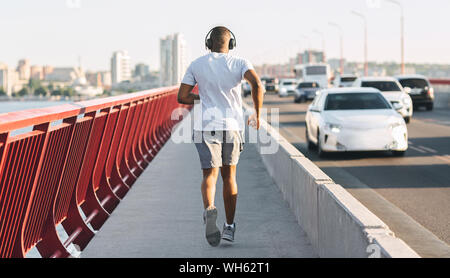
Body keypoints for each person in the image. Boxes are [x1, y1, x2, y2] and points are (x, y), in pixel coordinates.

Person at [177, 26, 264, 246]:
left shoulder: (197, 64)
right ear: (230, 43)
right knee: (230, 177)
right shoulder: (240, 63)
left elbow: (182, 96)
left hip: (206, 126)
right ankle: (229, 227)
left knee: (209, 175)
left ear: (209, 43)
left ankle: (209, 210)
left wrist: (203, 99)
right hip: (232, 126)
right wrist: (257, 113)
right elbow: (257, 85)